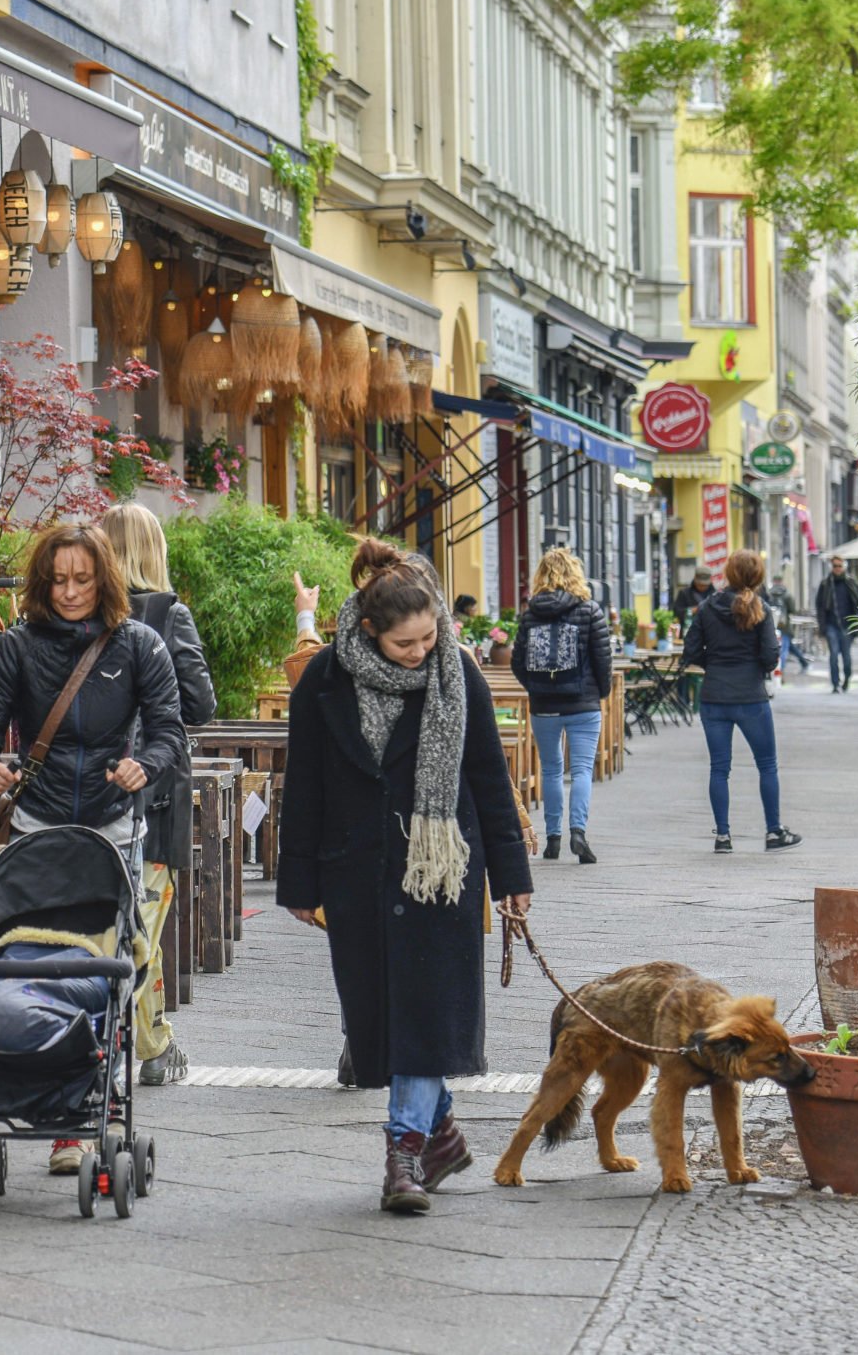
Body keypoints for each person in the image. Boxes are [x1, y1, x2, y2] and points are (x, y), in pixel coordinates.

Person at [278, 540, 531, 1215]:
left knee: (423, 1012)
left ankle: (405, 1151)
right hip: (356, 869)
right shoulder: (324, 680)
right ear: (368, 631)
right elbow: (301, 784)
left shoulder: (461, 675)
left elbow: (489, 778)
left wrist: (511, 874)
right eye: (405, 642)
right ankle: (440, 1131)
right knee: (381, 1023)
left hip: (438, 874)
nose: (422, 650)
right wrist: (299, 879)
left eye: (429, 635)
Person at [0, 520, 188, 1173]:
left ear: (105, 578)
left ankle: (84, 1118)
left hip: (113, 829)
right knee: (34, 962)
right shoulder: (17, 646)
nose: (68, 591)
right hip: (36, 828)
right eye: (58, 579)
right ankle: (38, 1093)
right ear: (42, 581)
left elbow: (169, 731)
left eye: (82, 579)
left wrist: (144, 763)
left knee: (104, 969)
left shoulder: (139, 645)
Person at [97, 503, 217, 1088]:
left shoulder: (80, 617)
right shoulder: (169, 616)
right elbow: (200, 705)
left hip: (90, 794)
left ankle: (155, 1043)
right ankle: (113, 1044)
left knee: (127, 922)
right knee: (142, 921)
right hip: (157, 795)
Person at [683, 550, 798, 853]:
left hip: (714, 697)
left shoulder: (707, 607)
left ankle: (723, 836)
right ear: (758, 576)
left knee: (719, 768)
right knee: (767, 765)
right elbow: (771, 654)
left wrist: (714, 664)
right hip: (750, 697)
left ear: (729, 573)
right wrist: (755, 669)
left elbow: (691, 650)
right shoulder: (761, 608)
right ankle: (774, 832)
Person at [510, 547, 614, 864]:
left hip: (545, 705)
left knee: (552, 770)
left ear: (540, 575)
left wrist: (536, 689)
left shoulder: (530, 614)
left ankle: (552, 839)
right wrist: (601, 692)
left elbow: (517, 662)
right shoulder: (590, 610)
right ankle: (578, 833)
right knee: (582, 770)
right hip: (583, 704)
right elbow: (602, 658)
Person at [813, 556, 858, 694]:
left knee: (846, 656)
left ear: (844, 567)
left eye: (840, 566)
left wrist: (857, 624)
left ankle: (847, 678)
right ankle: (835, 683)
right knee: (833, 654)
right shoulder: (825, 584)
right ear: (831, 567)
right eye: (835, 566)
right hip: (831, 625)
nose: (837, 568)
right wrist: (822, 626)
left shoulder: (850, 582)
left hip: (847, 625)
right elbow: (820, 606)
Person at [766, 581, 809, 674]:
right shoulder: (787, 595)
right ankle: (780, 671)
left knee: (789, 647)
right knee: (785, 648)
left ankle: (804, 663)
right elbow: (793, 610)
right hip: (784, 626)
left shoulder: (769, 594)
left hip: (773, 624)